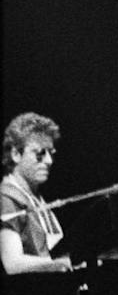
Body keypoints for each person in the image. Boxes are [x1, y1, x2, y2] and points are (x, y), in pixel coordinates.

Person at [2, 112, 75, 274]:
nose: (49, 161)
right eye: (40, 153)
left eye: (51, 153)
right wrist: (63, 263)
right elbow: (12, 263)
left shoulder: (37, 199)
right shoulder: (6, 198)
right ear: (15, 154)